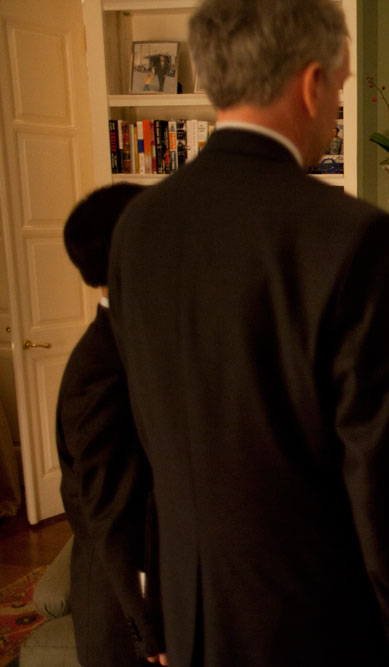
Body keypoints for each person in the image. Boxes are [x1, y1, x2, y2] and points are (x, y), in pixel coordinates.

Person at [108, 1, 389, 665]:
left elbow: (139, 434)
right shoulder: (350, 233)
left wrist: (163, 615)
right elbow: (377, 470)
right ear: (312, 84)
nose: (337, 106)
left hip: (191, 610)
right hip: (314, 620)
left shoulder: (139, 225)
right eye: (341, 88)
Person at [57, 183, 166, 667]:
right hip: (127, 610)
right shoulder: (98, 371)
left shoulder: (145, 339)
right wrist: (151, 633)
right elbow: (112, 512)